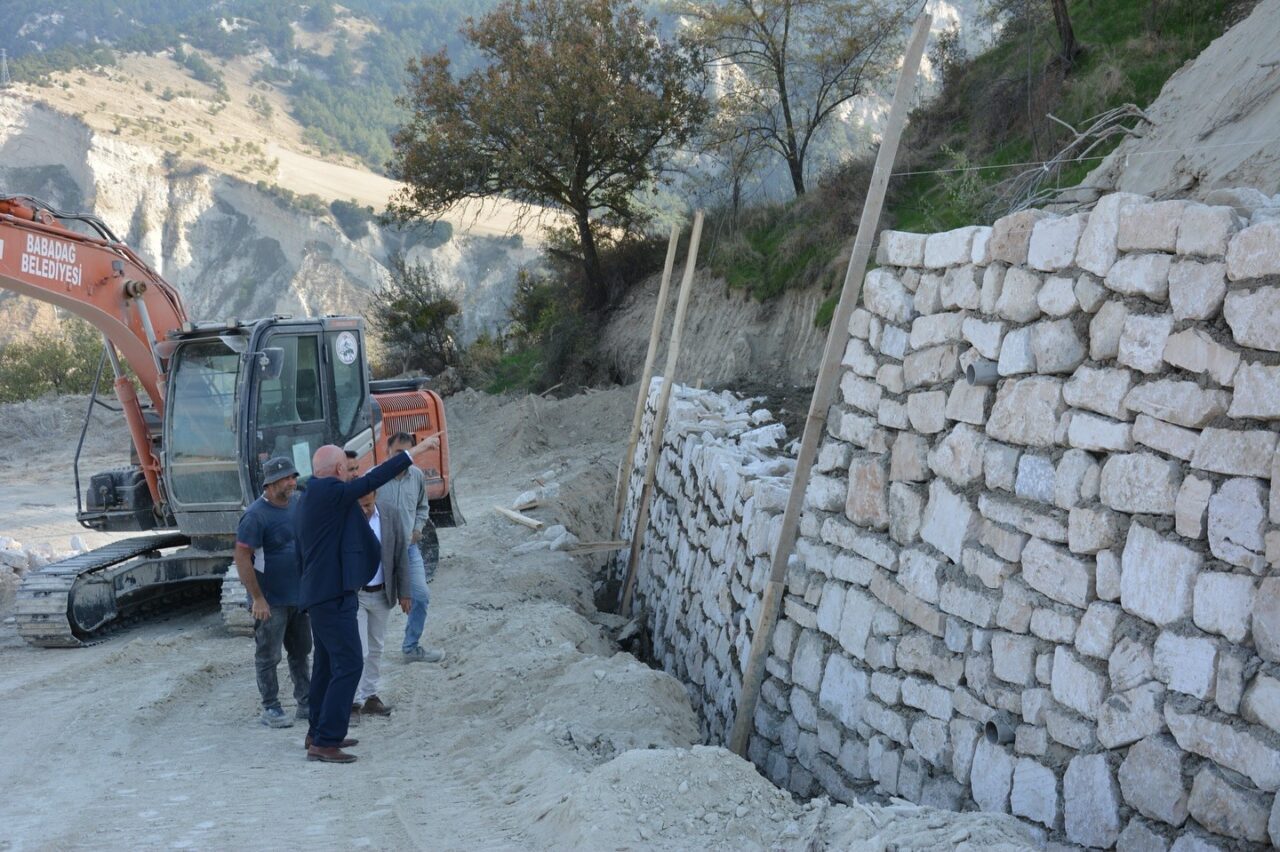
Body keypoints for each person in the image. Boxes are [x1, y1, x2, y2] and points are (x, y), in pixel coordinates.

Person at [295, 438, 438, 764]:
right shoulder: (328, 491)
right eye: (347, 470)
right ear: (339, 470)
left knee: (327, 665)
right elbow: (372, 481)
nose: (350, 475)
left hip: (324, 594)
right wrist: (409, 455)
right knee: (350, 664)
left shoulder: (312, 496)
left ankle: (317, 732)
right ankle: (326, 742)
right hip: (331, 596)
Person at [234, 456, 309, 728]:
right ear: (271, 483)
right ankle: (271, 707)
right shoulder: (255, 516)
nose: (293, 482)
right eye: (287, 478)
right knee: (269, 655)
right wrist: (257, 598)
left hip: (298, 597)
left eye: (294, 477)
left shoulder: (297, 504)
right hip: (270, 601)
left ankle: (306, 702)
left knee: (301, 652)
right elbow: (242, 558)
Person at [379, 431, 444, 663]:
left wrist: (417, 529)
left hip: (408, 551)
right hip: (379, 554)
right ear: (387, 451)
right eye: (398, 452)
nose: (402, 458)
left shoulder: (416, 477)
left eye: (406, 453)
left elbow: (422, 507)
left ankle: (411, 647)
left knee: (422, 596)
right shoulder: (376, 477)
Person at [352, 490, 410, 719]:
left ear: (375, 496)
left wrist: (405, 592)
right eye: (361, 506)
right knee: (360, 650)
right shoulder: (348, 519)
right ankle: (354, 702)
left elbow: (400, 555)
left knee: (377, 647)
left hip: (382, 593)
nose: (365, 510)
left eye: (368, 505)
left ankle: (370, 696)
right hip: (356, 594)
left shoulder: (390, 515)